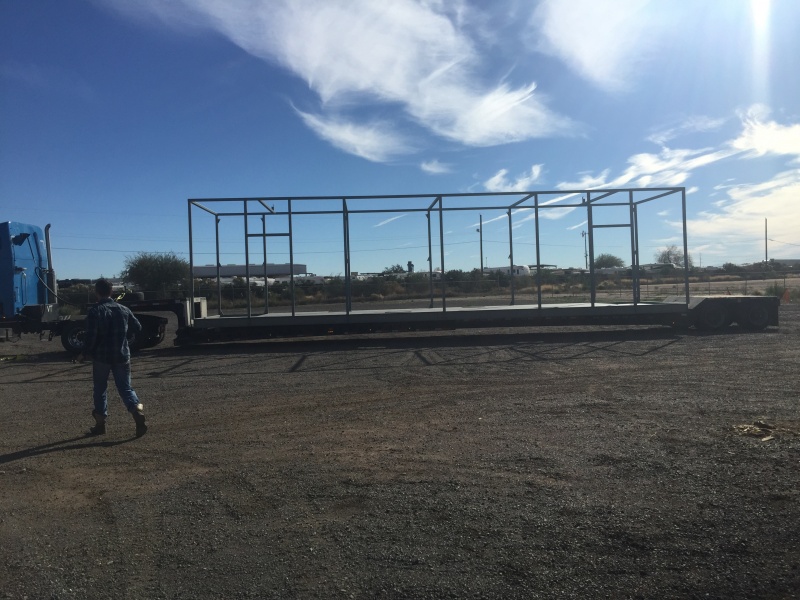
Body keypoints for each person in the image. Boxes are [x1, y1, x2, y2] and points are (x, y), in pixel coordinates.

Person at [78, 278, 148, 437]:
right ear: (111, 292)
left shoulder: (95, 311)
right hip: (122, 354)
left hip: (102, 357)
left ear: (96, 292)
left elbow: (91, 336)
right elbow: (137, 327)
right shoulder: (124, 309)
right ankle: (136, 409)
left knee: (100, 389)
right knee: (125, 387)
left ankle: (100, 423)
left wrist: (83, 353)